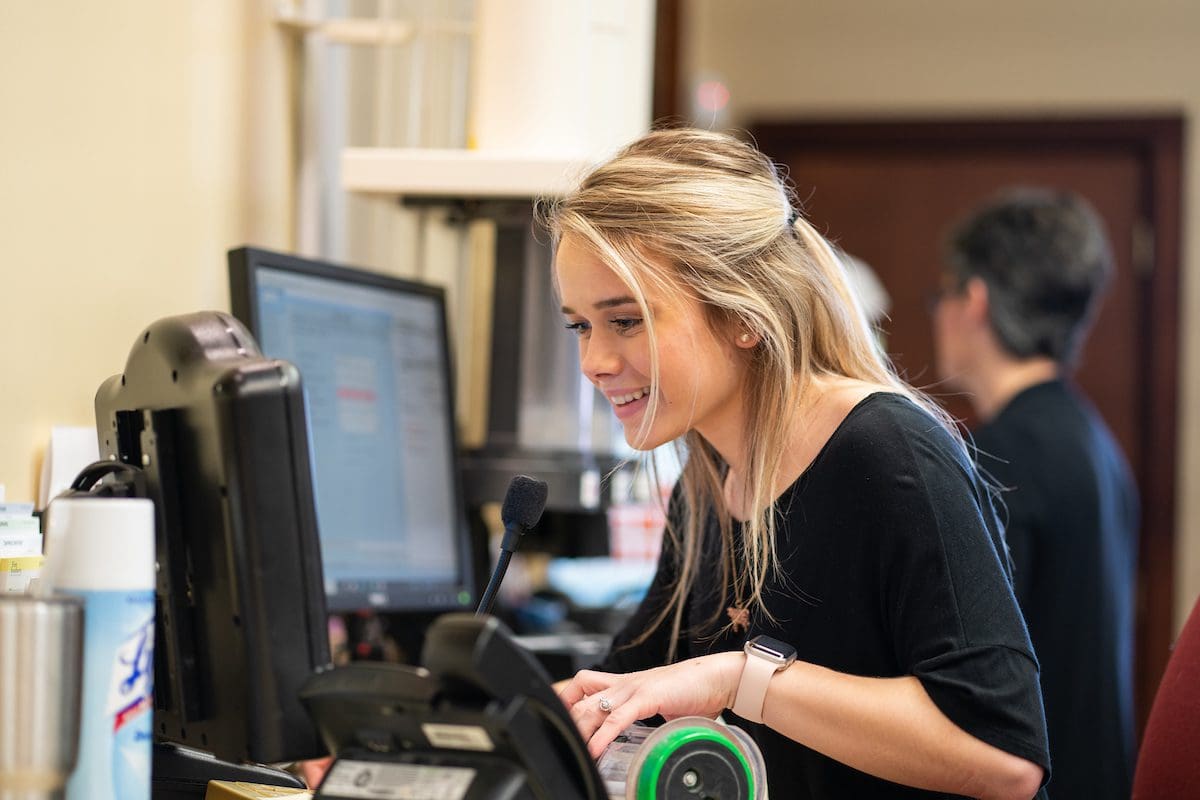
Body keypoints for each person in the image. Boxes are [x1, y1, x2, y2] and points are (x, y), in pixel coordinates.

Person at [543, 128, 1049, 799]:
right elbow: (628, 682)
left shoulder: (890, 455)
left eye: (626, 321)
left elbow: (1002, 755)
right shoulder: (706, 484)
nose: (594, 363)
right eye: (580, 325)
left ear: (743, 314)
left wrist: (738, 679)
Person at [931, 188, 1139, 800]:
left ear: (974, 300)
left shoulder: (998, 454)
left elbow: (970, 680)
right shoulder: (1094, 442)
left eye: (940, 294)